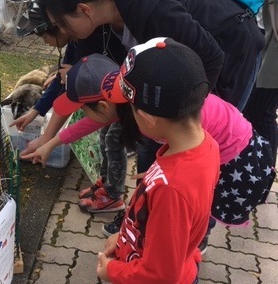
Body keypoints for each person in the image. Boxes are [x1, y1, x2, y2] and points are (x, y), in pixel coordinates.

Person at [37, 0, 265, 198]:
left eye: (60, 24)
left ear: (84, 9)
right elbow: (81, 88)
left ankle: (183, 209)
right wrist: (47, 137)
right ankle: (145, 208)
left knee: (198, 155)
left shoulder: (156, 9)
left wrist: (184, 122)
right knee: (151, 139)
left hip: (230, 53)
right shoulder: (93, 28)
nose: (62, 31)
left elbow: (212, 57)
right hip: (177, 76)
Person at [31, 51, 275, 242]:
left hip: (236, 160)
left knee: (194, 218)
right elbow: (89, 124)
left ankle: (191, 250)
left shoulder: (151, 113)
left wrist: (163, 173)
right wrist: (50, 143)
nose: (85, 118)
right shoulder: (130, 96)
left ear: (104, 107)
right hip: (216, 150)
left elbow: (192, 162)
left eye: (83, 110)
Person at [94, 37, 220, 284]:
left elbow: (160, 275)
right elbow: (180, 224)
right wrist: (123, 237)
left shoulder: (171, 187)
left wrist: (111, 271)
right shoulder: (207, 146)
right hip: (161, 259)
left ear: (147, 118)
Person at [13, 0, 130, 213]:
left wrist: (48, 140)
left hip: (129, 102)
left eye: (45, 36)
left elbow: (88, 121)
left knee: (113, 138)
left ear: (57, 26)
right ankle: (108, 183)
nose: (46, 43)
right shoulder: (77, 40)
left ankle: (114, 195)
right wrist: (37, 112)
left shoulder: (90, 40)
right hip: (116, 98)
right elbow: (61, 79)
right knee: (107, 135)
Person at [224, 0, 278, 167]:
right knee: (251, 106)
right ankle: (252, 167)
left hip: (275, 36)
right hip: (259, 30)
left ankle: (263, 174)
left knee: (263, 109)